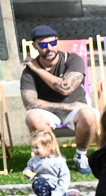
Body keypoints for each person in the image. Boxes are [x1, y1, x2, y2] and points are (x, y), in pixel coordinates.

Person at [18, 26, 100, 173]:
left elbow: (65, 88)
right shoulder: (28, 72)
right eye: (43, 45)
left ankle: (81, 155)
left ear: (57, 41)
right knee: (32, 116)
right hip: (49, 113)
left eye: (52, 43)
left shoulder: (72, 59)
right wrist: (66, 106)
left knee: (89, 114)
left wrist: (38, 69)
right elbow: (30, 104)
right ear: (35, 46)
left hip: (76, 111)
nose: (49, 48)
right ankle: (55, 157)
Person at [27, 131, 75, 196]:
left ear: (48, 147)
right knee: (38, 183)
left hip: (56, 186)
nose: (33, 150)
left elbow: (64, 177)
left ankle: (70, 194)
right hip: (43, 186)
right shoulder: (34, 161)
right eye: (32, 147)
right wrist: (28, 172)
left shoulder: (58, 161)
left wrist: (59, 191)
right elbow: (29, 168)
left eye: (36, 147)